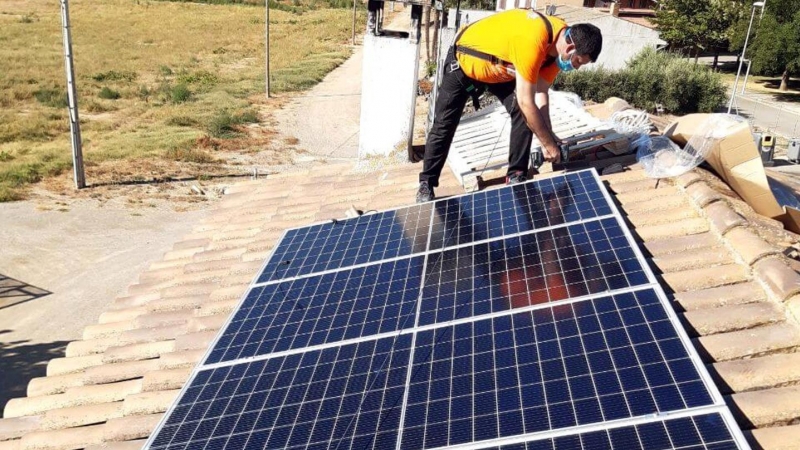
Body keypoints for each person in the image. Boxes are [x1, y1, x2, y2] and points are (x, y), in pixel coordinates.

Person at [416, 9, 603, 203]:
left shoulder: (557, 51)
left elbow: (540, 93)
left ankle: (516, 175)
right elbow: (526, 102)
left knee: (523, 114)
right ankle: (426, 184)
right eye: (578, 61)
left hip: (500, 71)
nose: (576, 67)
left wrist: (550, 138)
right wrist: (548, 144)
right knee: (444, 126)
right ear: (570, 46)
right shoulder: (533, 39)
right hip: (465, 64)